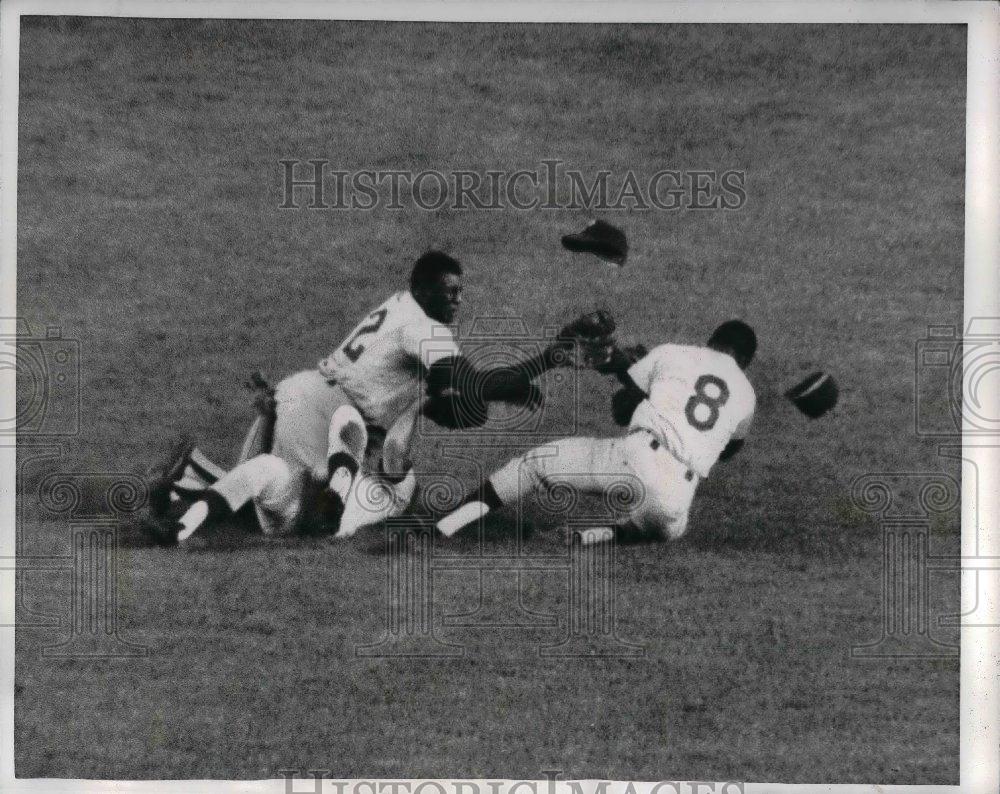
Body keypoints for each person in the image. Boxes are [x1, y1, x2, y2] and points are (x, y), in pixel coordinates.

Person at [144, 251, 611, 544]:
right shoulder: (423, 329)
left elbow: (462, 397)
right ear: (425, 288)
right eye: (451, 291)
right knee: (314, 485)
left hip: (301, 393)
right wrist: (548, 358)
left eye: (461, 291)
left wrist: (507, 385)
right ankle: (336, 496)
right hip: (333, 418)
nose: (459, 300)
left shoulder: (400, 305)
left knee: (266, 489)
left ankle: (192, 477)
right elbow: (470, 387)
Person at [431, 320, 757, 544]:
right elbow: (727, 452)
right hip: (676, 496)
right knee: (671, 528)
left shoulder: (675, 352)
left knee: (534, 464)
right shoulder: (746, 395)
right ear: (744, 362)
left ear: (711, 342)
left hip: (637, 458)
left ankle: (446, 524)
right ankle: (597, 537)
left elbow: (622, 409)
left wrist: (619, 365)